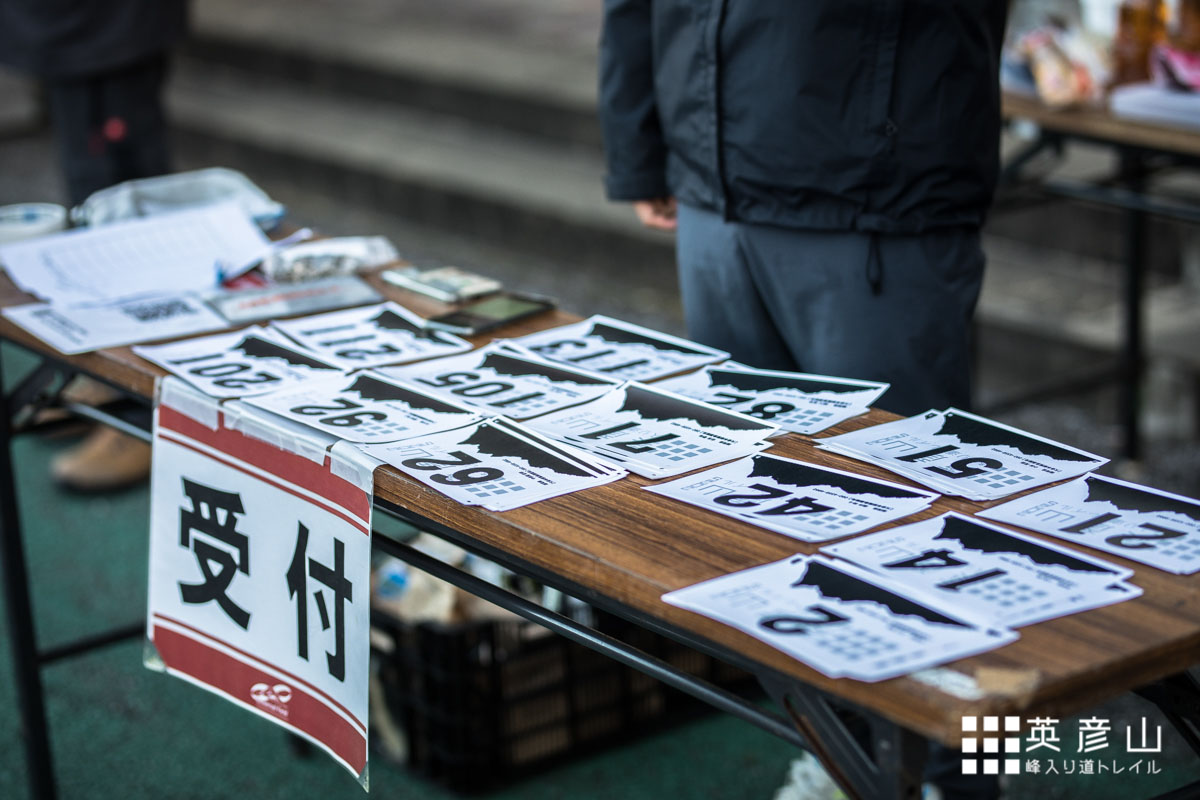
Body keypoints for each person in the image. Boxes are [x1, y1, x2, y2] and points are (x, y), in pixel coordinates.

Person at [599, 2, 1008, 798]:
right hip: (712, 180)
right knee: (764, 509)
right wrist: (641, 144)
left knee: (919, 517)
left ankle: (959, 776)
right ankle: (839, 752)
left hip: (874, 186)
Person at [599, 0, 1008, 419]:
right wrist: (636, 153)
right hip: (708, 187)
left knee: (889, 451)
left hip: (874, 202)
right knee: (730, 443)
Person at [0, 0, 189, 491]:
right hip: (68, 29)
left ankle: (144, 408)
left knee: (125, 214)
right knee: (92, 204)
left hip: (105, 27)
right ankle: (112, 381)